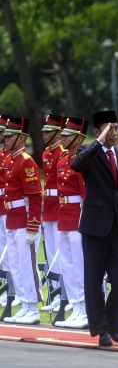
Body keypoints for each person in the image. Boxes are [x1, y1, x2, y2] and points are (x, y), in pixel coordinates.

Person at [71, 110, 118, 347]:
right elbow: (76, 165)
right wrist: (97, 143)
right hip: (95, 226)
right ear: (98, 132)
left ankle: (113, 325)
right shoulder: (87, 152)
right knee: (94, 279)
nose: (114, 133)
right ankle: (101, 330)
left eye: (116, 129)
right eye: (109, 129)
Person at [2, 118, 43, 325]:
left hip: (24, 220)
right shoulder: (11, 160)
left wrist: (33, 225)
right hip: (12, 218)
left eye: (10, 136)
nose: (5, 139)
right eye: (6, 135)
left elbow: (35, 196)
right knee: (17, 265)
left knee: (27, 265)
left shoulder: (26, 161)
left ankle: (32, 307)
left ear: (22, 138)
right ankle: (24, 303)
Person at [53, 117, 89, 329]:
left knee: (79, 265)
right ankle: (76, 307)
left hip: (77, 216)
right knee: (67, 265)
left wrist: (83, 222)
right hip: (63, 216)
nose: (63, 138)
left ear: (79, 138)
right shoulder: (62, 160)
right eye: (63, 135)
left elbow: (84, 196)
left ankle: (84, 310)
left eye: (67, 135)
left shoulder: (81, 162)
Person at [40, 114, 67, 312]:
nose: (44, 134)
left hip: (61, 205)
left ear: (58, 133)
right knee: (51, 252)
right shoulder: (46, 153)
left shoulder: (62, 153)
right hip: (49, 205)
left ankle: (63, 293)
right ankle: (55, 292)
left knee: (61, 251)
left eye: (49, 131)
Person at [0, 115, 15, 313]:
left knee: (10, 252)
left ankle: (13, 291)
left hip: (9, 206)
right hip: (3, 205)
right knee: (3, 251)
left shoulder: (10, 156)